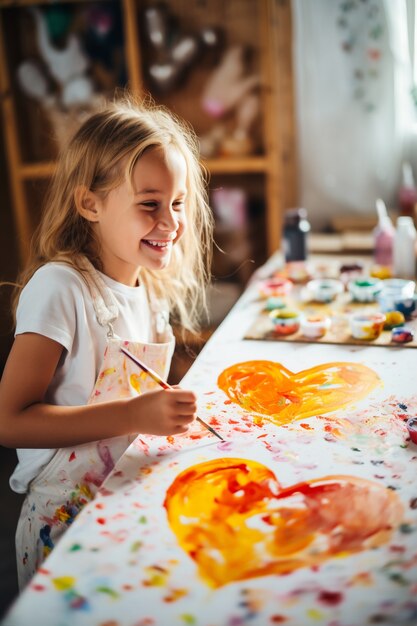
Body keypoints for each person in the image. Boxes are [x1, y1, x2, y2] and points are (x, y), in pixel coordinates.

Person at [0, 93, 213, 590]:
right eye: (149, 204)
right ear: (89, 203)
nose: (171, 222)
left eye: (177, 203)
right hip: (65, 526)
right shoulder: (60, 288)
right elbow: (9, 421)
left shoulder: (147, 287)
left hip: (121, 504)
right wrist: (136, 416)